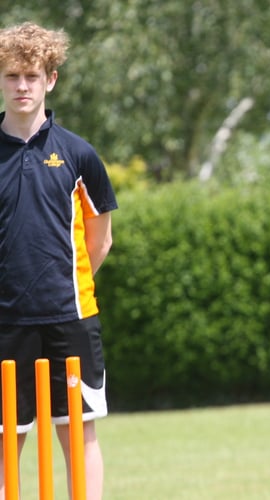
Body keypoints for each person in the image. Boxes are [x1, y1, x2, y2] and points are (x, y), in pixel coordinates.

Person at [0, 22, 117, 499]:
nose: (22, 86)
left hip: (71, 320)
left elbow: (99, 242)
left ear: (51, 79)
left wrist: (61, 285)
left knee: (78, 433)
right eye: (12, 76)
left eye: (32, 75)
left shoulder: (78, 153)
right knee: (8, 437)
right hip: (5, 323)